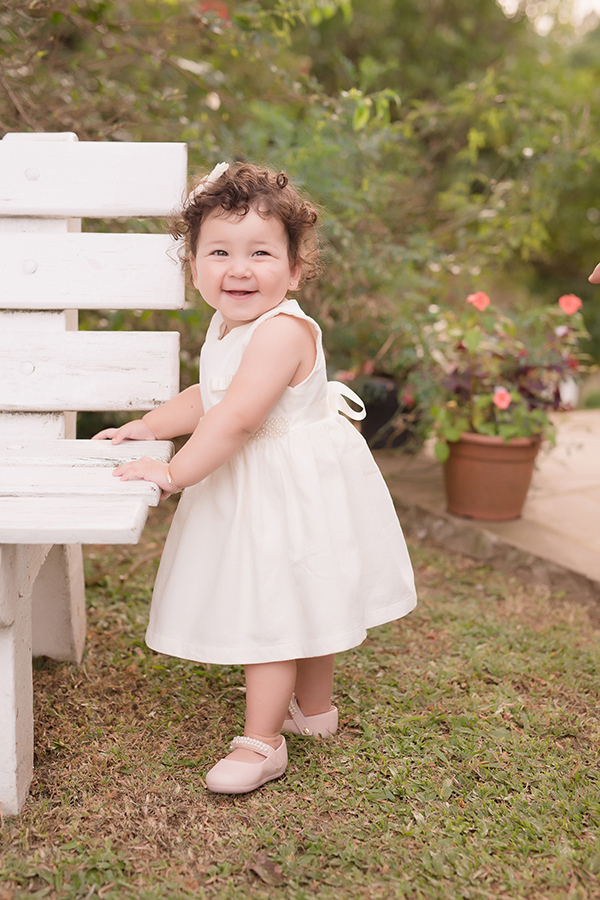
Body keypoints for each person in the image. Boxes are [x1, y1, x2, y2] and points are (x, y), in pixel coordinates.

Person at [93, 162, 417, 794]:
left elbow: (237, 418)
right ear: (194, 265)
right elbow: (209, 395)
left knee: (271, 602)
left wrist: (173, 471)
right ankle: (313, 710)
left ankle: (262, 742)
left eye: (260, 253)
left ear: (295, 270)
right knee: (305, 592)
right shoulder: (231, 326)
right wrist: (146, 425)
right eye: (219, 251)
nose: (238, 268)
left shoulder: (282, 332)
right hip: (285, 480)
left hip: (283, 485)